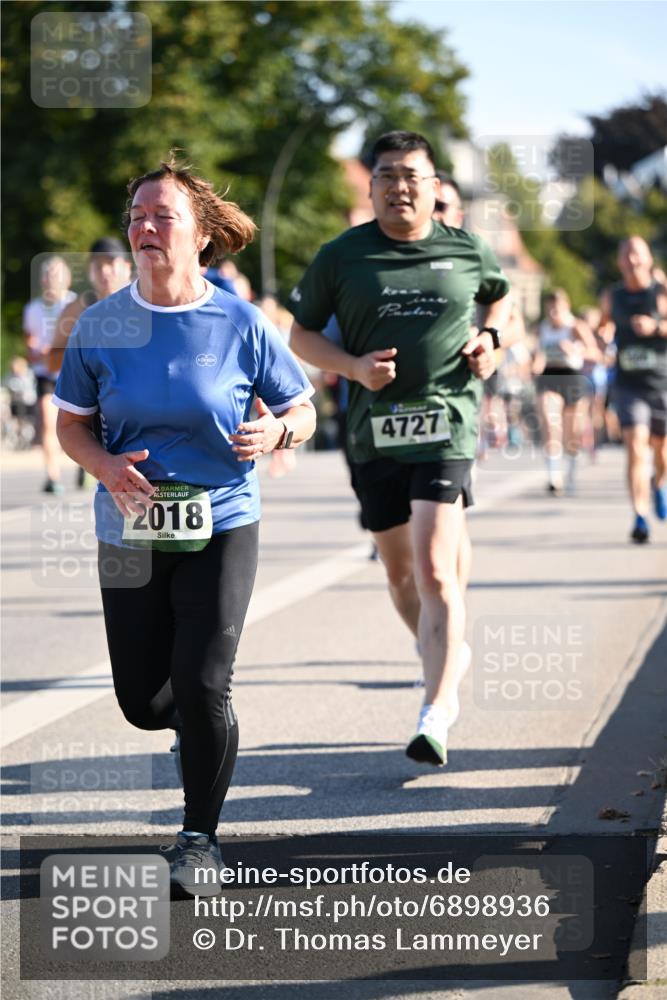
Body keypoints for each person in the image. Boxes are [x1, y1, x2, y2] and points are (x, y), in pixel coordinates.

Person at [53, 157, 316, 896]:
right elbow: (71, 426)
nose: (143, 227)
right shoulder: (101, 325)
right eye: (136, 214)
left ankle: (198, 838)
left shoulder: (237, 320)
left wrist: (278, 436)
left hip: (223, 518)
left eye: (161, 215)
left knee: (204, 685)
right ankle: (193, 729)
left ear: (200, 235)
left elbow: (302, 408)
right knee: (144, 703)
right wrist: (104, 466)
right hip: (129, 529)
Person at [289, 130, 511, 767]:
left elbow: (501, 296)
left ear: (435, 187)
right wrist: (354, 368)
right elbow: (302, 334)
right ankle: (447, 647)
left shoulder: (467, 249)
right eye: (387, 175)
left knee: (437, 566)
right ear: (372, 187)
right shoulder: (342, 256)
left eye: (413, 175)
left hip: (447, 424)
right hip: (372, 432)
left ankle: (436, 710)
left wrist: (491, 341)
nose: (400, 186)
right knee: (400, 574)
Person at [49, 238, 133, 487]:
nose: (105, 271)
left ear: (127, 267)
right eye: (98, 265)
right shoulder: (78, 308)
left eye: (111, 263)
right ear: (90, 271)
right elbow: (52, 360)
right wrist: (86, 355)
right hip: (100, 403)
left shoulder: (149, 300)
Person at [600, 236, 667, 542]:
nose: (632, 260)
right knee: (635, 447)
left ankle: (659, 485)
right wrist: (602, 338)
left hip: (661, 382)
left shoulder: (661, 292)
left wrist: (656, 328)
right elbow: (602, 327)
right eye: (626, 254)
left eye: (637, 254)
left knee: (662, 451)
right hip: (629, 385)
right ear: (619, 261)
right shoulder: (612, 296)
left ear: (649, 259)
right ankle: (639, 516)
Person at [533, 289, 599, 495]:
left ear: (566, 307)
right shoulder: (542, 329)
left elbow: (596, 353)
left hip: (571, 377)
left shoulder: (575, 327)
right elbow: (536, 353)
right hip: (549, 377)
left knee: (572, 433)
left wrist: (575, 350)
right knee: (550, 423)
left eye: (557, 307)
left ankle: (571, 473)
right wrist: (535, 362)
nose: (554, 311)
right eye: (550, 307)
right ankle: (554, 476)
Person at [23, 255, 76, 492]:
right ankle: (52, 476)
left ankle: (85, 465)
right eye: (48, 274)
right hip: (45, 374)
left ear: (67, 278)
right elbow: (30, 343)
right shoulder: (33, 309)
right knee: (47, 420)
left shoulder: (77, 304)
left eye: (57, 273)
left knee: (85, 423)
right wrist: (36, 350)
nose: (52, 278)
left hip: (72, 371)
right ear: (42, 279)